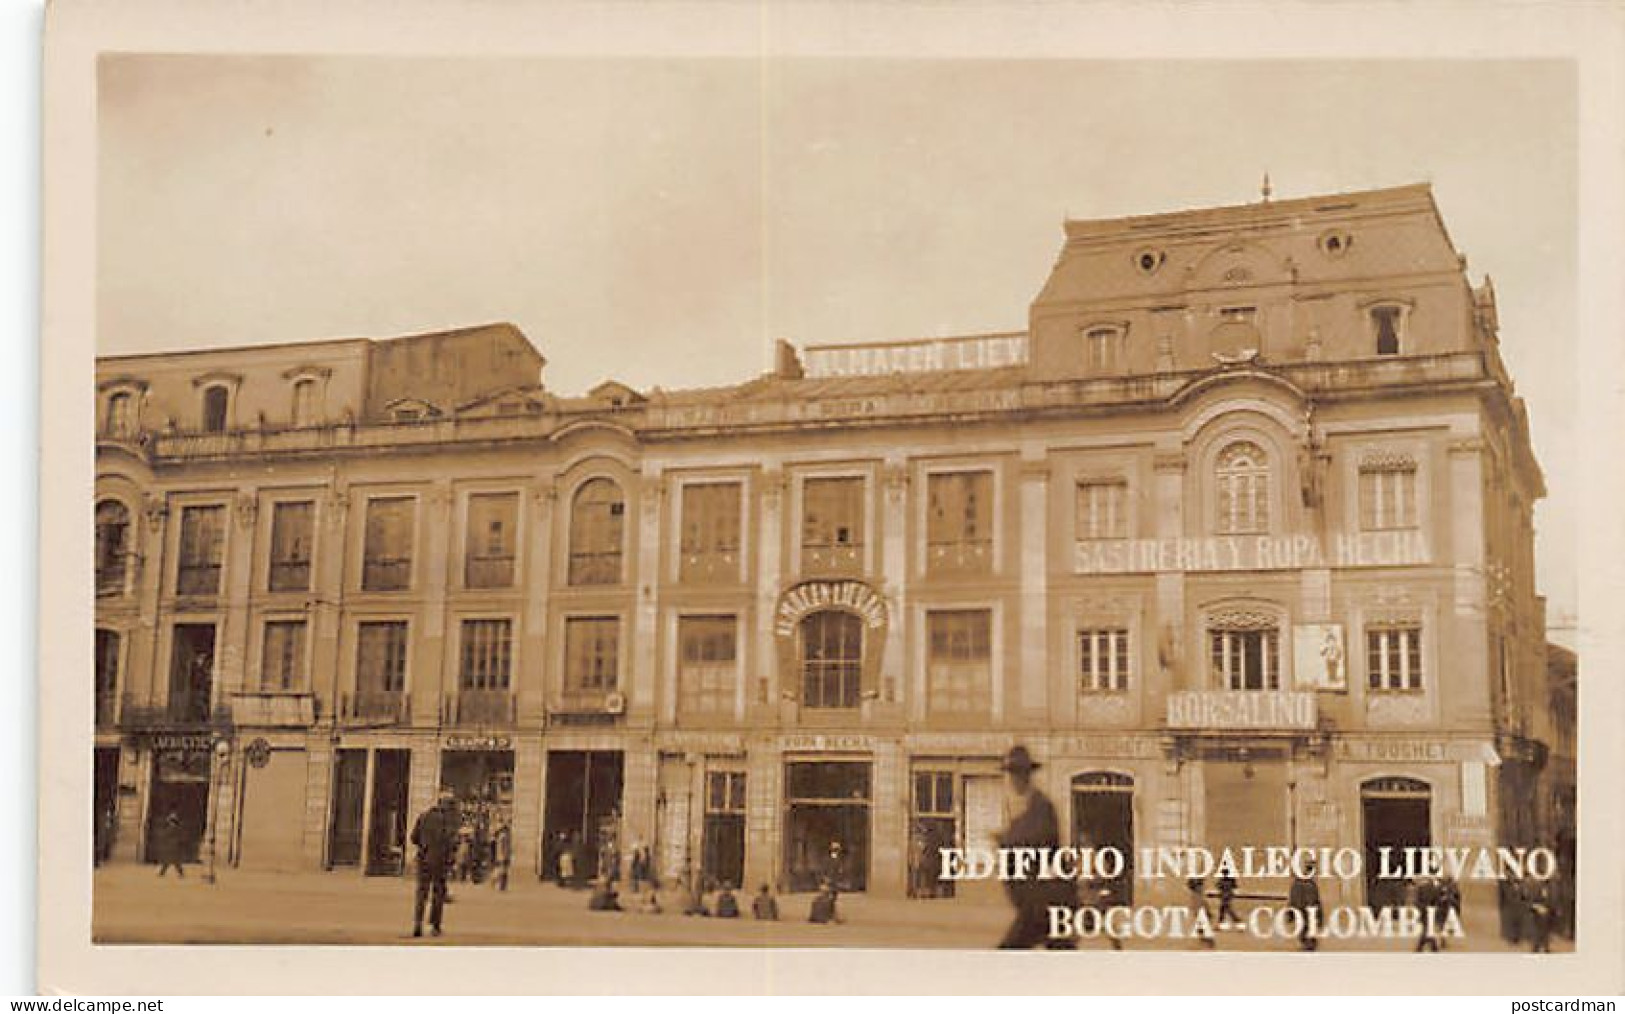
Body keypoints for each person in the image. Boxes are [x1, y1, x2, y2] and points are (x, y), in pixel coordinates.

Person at [993, 745, 1077, 950]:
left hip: (1045, 902)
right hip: (1035, 902)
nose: (1013, 780)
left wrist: (1007, 840)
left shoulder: (1041, 806)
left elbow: (1041, 839)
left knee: (1008, 952)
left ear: (1027, 775)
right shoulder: (1025, 807)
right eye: (1011, 774)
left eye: (1018, 774)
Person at [410, 790, 460, 938]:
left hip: (423, 859)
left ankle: (417, 924)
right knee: (438, 894)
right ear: (447, 805)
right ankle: (435, 926)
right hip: (440, 861)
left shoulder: (424, 816)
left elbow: (413, 837)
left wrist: (424, 846)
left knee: (421, 893)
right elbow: (452, 842)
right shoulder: (448, 821)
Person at [1288, 860, 1323, 952]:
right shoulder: (1301, 883)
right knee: (1304, 928)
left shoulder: (1308, 883)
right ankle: (1308, 945)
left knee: (1307, 928)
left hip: (1307, 909)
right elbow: (1294, 897)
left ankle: (1308, 945)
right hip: (1303, 909)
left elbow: (1316, 898)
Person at [152, 809, 185, 878]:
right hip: (173, 846)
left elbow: (166, 835)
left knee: (173, 861)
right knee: (171, 861)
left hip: (173, 846)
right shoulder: (176, 828)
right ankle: (163, 872)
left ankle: (178, 873)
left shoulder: (172, 828)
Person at [491, 823, 511, 892]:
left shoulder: (501, 837)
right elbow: (504, 848)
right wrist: (505, 856)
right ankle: (500, 885)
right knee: (502, 871)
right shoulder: (503, 837)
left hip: (501, 856)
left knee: (502, 871)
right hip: (503, 856)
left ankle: (500, 885)